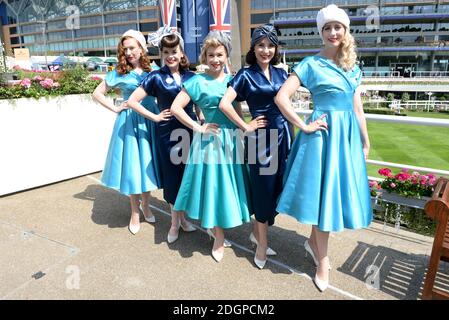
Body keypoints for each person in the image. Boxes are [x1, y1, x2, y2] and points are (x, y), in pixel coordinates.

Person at [275, 4, 373, 291]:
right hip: (321, 137)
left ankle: (311, 243)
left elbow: (357, 107)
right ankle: (322, 262)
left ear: (346, 31)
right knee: (323, 201)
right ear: (321, 32)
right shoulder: (309, 63)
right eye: (327, 28)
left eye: (337, 27)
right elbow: (282, 98)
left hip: (345, 139)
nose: (332, 32)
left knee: (329, 196)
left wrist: (366, 141)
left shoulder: (353, 66)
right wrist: (304, 125)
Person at [171, 31, 252, 263]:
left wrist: (242, 133)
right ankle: (218, 236)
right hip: (210, 141)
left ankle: (217, 229)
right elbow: (176, 108)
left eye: (219, 54)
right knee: (215, 188)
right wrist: (199, 128)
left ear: (227, 55)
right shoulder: (196, 81)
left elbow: (237, 110)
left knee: (228, 189)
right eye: (210, 55)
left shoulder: (233, 80)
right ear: (204, 57)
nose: (215, 59)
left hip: (232, 140)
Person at [219, 24, 291, 269]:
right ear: (253, 47)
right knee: (262, 190)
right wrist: (245, 126)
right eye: (261, 45)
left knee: (277, 189)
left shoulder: (283, 74)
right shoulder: (245, 75)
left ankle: (256, 233)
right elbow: (225, 104)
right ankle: (261, 243)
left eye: (270, 45)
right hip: (261, 141)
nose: (266, 50)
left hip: (284, 137)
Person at [127, 26, 197, 244]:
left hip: (190, 131)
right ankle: (174, 223)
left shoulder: (192, 76)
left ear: (182, 53)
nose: (170, 56)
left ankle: (183, 219)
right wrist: (155, 117)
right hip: (168, 133)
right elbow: (132, 101)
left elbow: (198, 102)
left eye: (174, 51)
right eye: (165, 52)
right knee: (172, 177)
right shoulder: (156, 77)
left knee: (187, 176)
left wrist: (201, 120)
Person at [92, 29, 161, 235]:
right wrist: (115, 108)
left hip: (150, 121)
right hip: (130, 122)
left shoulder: (155, 70)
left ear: (142, 48)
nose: (129, 52)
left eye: (132, 47)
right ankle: (134, 212)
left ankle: (146, 206)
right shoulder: (119, 72)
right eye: (126, 49)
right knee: (133, 167)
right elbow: (97, 93)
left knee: (148, 166)